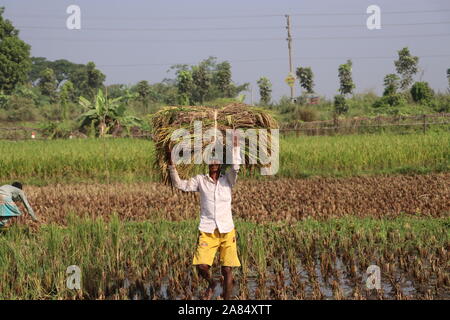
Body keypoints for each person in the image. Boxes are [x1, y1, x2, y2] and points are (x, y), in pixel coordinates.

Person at [167, 132, 242, 300]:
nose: (214, 162)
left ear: (221, 164)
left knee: (228, 269)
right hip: (207, 230)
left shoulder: (228, 179)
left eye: (217, 160)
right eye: (211, 159)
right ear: (208, 163)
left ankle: (226, 300)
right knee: (201, 266)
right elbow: (180, 185)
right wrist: (171, 164)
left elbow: (236, 167)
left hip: (227, 229)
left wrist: (236, 146)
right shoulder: (200, 181)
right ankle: (212, 283)